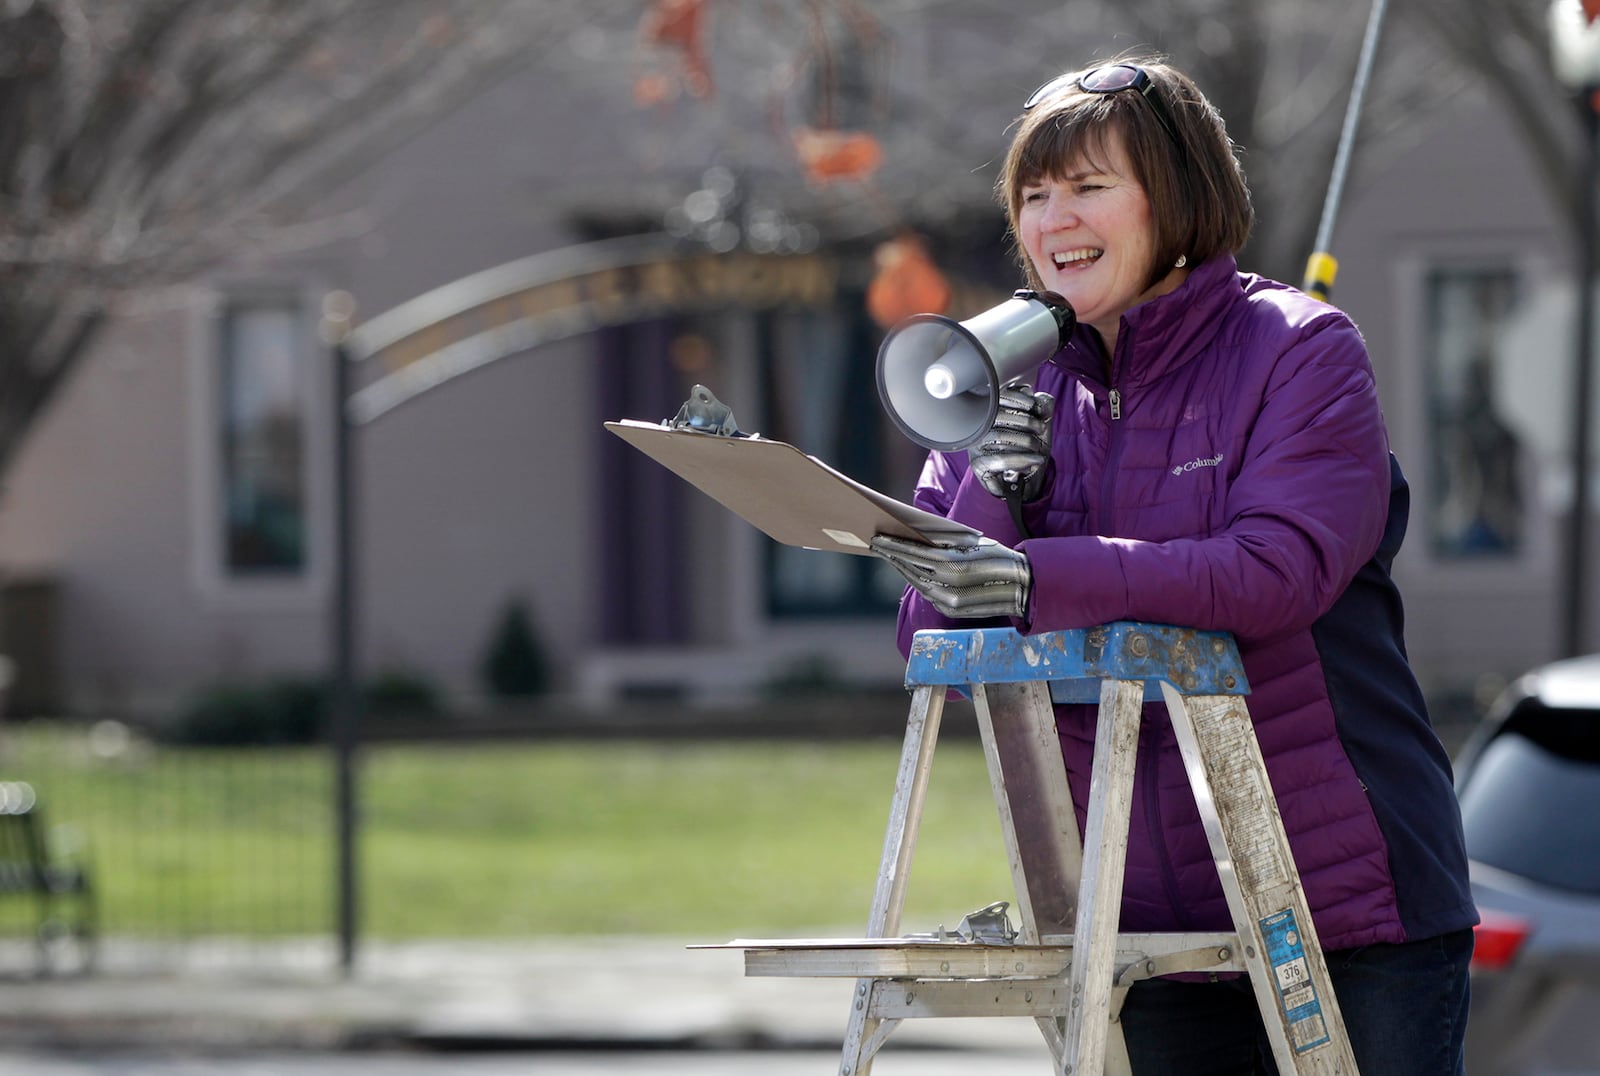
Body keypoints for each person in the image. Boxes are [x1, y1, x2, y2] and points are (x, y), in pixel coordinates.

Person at [870, 57, 1477, 1075]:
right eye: (1032, 194)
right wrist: (991, 488)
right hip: (1142, 924)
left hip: (1342, 904)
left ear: (1178, 193)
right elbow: (927, 632)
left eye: (1088, 186)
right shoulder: (999, 380)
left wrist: (1037, 576)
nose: (1053, 218)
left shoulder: (1297, 351)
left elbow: (1271, 572)